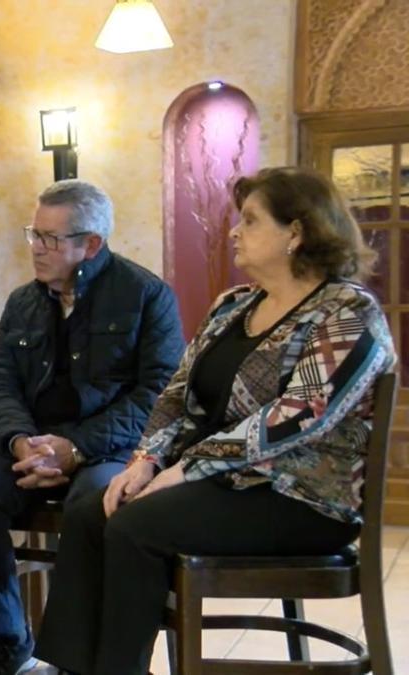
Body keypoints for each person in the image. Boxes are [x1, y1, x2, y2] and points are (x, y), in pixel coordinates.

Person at [33, 166, 395, 675]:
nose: (234, 231)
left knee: (136, 525)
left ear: (296, 232)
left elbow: (296, 416)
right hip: (225, 483)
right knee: (92, 512)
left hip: (304, 499)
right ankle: (71, 667)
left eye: (250, 220)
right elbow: (177, 394)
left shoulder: (347, 312)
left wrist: (185, 469)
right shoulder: (233, 306)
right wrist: (145, 461)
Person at [0, 179, 184, 674]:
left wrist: (74, 447)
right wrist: (18, 443)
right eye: (33, 234)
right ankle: (5, 633)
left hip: (109, 450)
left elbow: (157, 399)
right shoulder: (23, 302)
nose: (36, 248)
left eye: (50, 239)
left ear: (91, 244)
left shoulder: (146, 296)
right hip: (33, 445)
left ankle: (68, 659)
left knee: (93, 502)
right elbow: (2, 387)